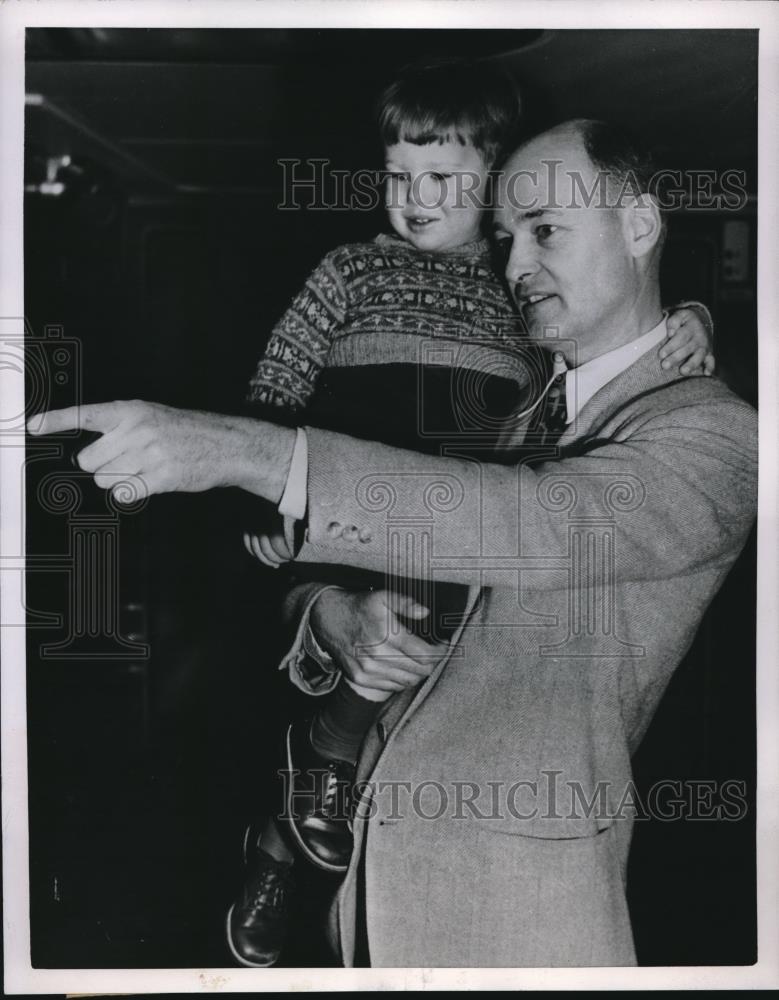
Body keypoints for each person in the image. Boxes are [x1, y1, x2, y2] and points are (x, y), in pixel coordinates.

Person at [28, 118, 757, 967]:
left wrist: (245, 451)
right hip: (358, 877)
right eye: (504, 238)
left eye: (545, 230)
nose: (516, 267)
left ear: (638, 226)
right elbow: (418, 538)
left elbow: (533, 523)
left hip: (517, 904)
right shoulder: (511, 395)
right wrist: (327, 611)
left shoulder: (715, 436)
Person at [233, 61, 713, 965]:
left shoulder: (523, 305)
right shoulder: (351, 269)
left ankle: (309, 783)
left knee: (410, 635)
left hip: (452, 558)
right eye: (397, 179)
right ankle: (292, 806)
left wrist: (694, 313)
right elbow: (278, 379)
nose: (413, 201)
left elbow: (576, 407)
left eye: (444, 184)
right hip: (337, 522)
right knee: (356, 651)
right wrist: (271, 494)